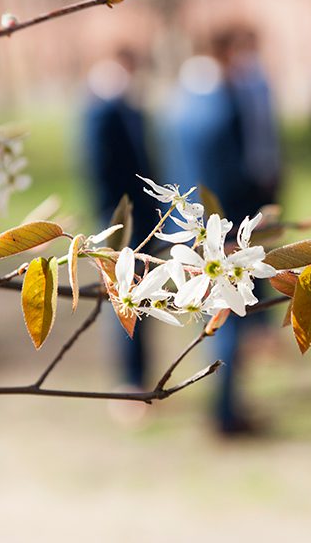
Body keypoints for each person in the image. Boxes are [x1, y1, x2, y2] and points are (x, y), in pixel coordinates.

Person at [162, 25, 281, 436]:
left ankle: (228, 407)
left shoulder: (181, 97)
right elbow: (226, 172)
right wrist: (234, 233)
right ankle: (227, 414)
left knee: (219, 321)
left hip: (192, 223)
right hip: (223, 228)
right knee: (228, 319)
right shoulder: (221, 100)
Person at [80, 47, 158, 392]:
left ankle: (143, 377)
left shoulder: (132, 109)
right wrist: (111, 221)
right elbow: (98, 170)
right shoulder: (99, 111)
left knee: (144, 297)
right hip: (117, 221)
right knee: (123, 299)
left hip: (141, 216)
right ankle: (130, 382)